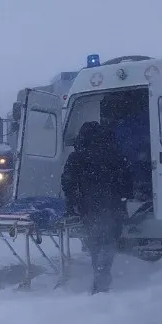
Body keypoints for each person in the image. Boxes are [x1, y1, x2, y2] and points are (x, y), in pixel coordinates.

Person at [62, 123, 133, 294]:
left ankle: (99, 275)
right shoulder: (116, 155)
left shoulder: (77, 157)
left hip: (89, 208)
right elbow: (128, 183)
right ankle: (103, 275)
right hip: (114, 207)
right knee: (109, 241)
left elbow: (68, 184)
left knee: (94, 242)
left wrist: (73, 205)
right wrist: (121, 200)